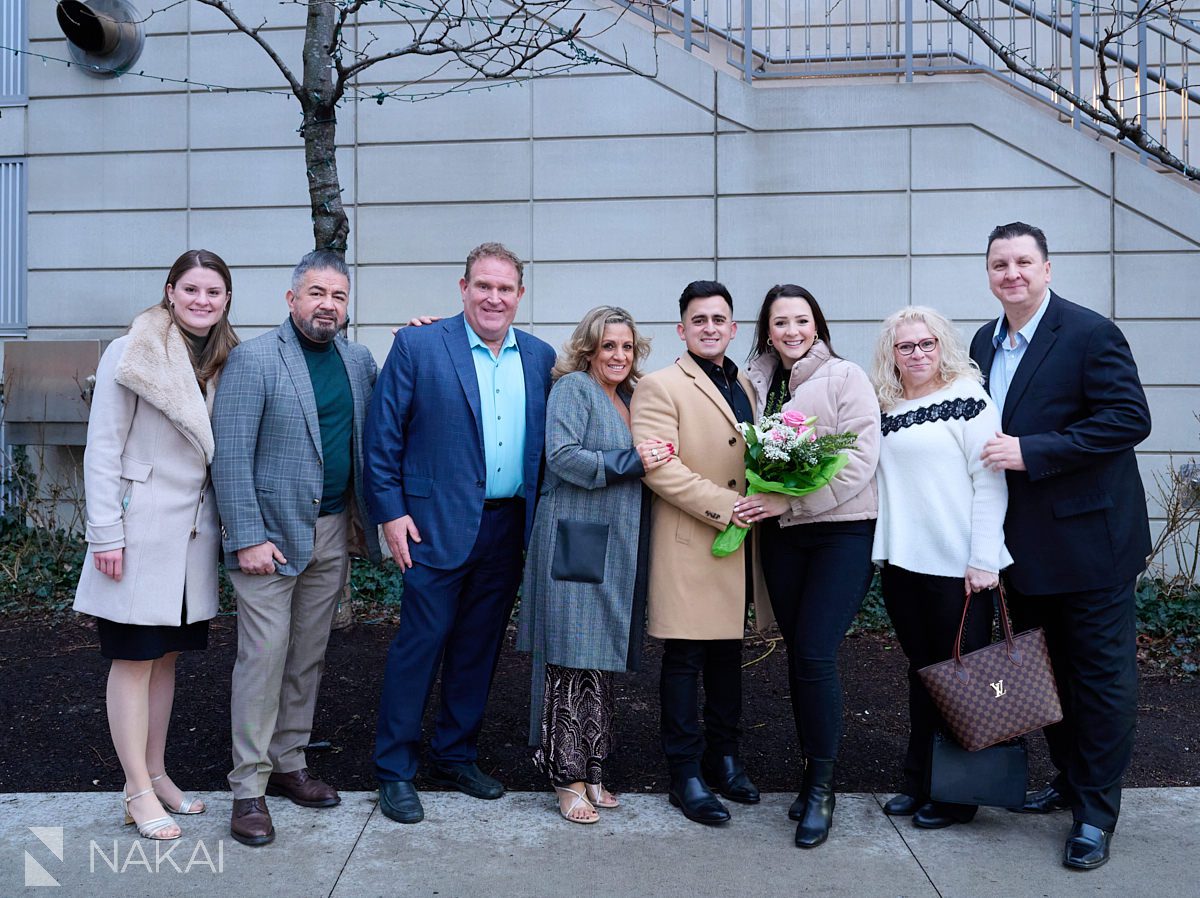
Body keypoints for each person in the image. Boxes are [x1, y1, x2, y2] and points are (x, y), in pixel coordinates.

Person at [969, 222, 1151, 870]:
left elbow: (1130, 418)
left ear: (1047, 268)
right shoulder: (982, 343)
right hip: (1026, 550)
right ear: (988, 273)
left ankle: (1096, 817)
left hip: (1093, 545)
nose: (1011, 273)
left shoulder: (1088, 332)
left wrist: (1032, 451)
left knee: (1099, 682)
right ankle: (1071, 780)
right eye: (999, 264)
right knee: (1046, 679)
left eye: (1023, 262)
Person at [364, 242, 557, 825]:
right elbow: (382, 437)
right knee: (419, 647)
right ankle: (394, 769)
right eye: (483, 286)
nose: (493, 297)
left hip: (506, 525)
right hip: (430, 525)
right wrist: (391, 512)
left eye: (505, 288)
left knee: (478, 646)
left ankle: (455, 753)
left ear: (519, 295)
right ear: (463, 287)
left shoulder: (541, 357)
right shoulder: (419, 345)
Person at [212, 250, 380, 847]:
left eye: (337, 296)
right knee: (263, 658)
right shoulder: (254, 359)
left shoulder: (359, 361)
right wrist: (246, 536)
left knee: (307, 654)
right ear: (291, 300)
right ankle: (247, 789)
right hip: (269, 536)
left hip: (333, 529)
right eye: (315, 293)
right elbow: (229, 454)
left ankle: (289, 763)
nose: (326, 305)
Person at [74, 249, 238, 841]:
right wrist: (105, 536)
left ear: (225, 301)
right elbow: (104, 449)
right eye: (191, 289)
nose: (202, 301)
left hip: (192, 537)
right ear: (170, 291)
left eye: (213, 292)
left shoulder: (224, 357)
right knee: (133, 659)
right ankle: (136, 791)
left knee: (164, 660)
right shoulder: (131, 351)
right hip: (137, 531)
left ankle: (157, 774)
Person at [734, 284, 880, 848]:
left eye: (801, 320)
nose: (792, 331)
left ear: (817, 324)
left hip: (839, 535)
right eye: (780, 323)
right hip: (781, 540)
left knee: (817, 654)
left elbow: (861, 463)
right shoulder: (755, 383)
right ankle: (808, 775)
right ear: (766, 330)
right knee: (799, 656)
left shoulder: (845, 377)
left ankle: (822, 788)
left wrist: (787, 501)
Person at [514, 306, 672, 824]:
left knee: (598, 661)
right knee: (567, 659)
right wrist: (633, 461)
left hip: (617, 545)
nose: (619, 356)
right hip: (573, 540)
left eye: (627, 347)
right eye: (609, 346)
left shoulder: (630, 396)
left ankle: (595, 770)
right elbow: (561, 456)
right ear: (588, 349)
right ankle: (566, 779)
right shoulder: (573, 390)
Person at [630, 280, 773, 826]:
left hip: (740, 546)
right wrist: (726, 506)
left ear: (733, 328)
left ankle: (724, 757)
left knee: (728, 658)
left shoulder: (747, 385)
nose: (710, 328)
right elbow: (660, 468)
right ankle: (684, 772)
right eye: (699, 319)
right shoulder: (661, 386)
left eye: (719, 319)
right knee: (686, 660)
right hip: (694, 541)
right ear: (682, 329)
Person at [869, 305, 1012, 830]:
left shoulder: (968, 400)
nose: (918, 353)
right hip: (905, 563)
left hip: (960, 567)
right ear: (892, 353)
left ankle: (959, 794)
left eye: (927, 343)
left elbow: (990, 481)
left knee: (964, 679)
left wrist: (983, 559)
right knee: (923, 674)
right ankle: (921, 780)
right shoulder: (885, 404)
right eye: (906, 346)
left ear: (942, 345)